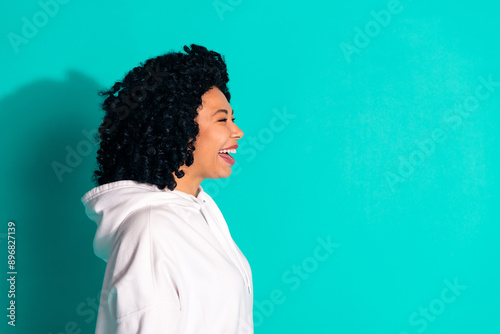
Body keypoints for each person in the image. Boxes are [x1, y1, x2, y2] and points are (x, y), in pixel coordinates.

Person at [81, 44, 253, 333]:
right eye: (222, 119)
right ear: (178, 127)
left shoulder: (200, 212)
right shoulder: (150, 230)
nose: (237, 131)